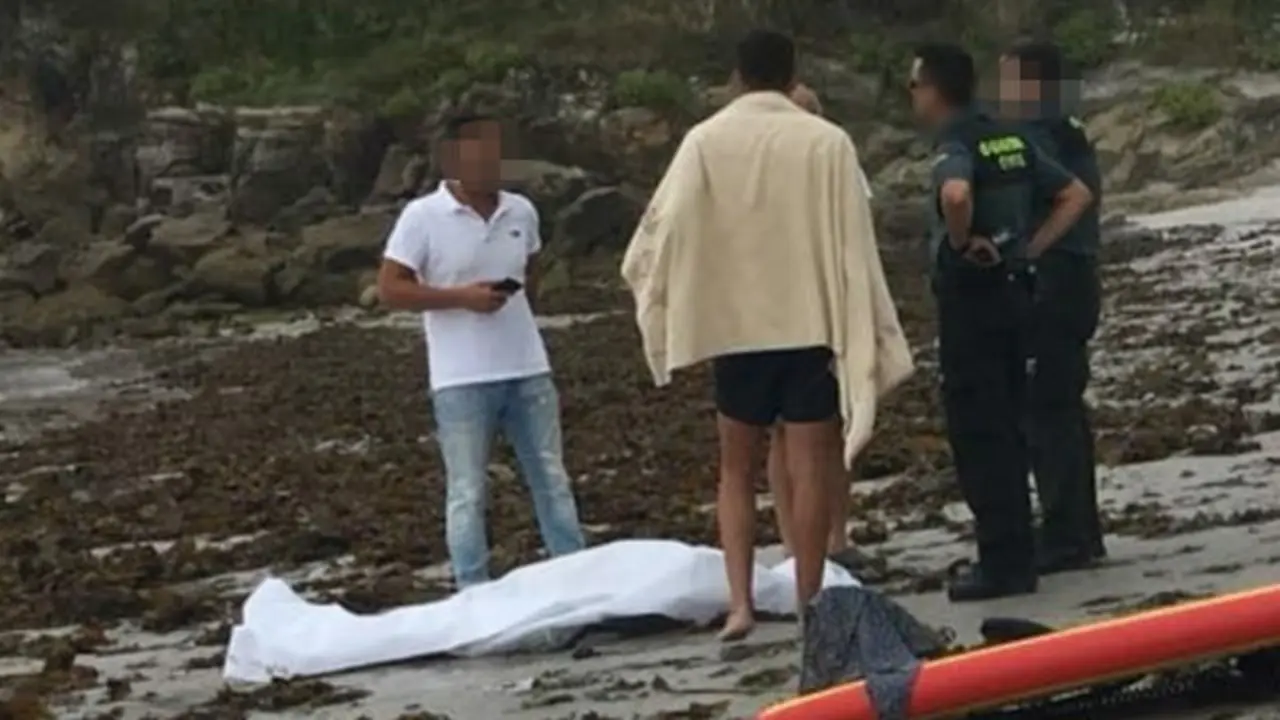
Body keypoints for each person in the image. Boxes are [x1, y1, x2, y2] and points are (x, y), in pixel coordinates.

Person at [622, 30, 913, 640]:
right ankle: (810, 599)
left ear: (736, 75)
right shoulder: (826, 140)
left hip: (736, 328)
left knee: (735, 469)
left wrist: (659, 300)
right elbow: (854, 238)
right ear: (793, 75)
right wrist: (865, 323)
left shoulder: (704, 140)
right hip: (807, 323)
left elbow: (661, 228)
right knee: (809, 467)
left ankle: (740, 604)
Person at [908, 43, 1093, 602]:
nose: (911, 96)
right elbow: (1075, 193)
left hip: (974, 302)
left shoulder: (958, 141)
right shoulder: (1010, 136)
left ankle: (1006, 559)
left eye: (914, 86)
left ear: (935, 90)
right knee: (1018, 421)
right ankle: (1036, 544)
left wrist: (962, 241)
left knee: (982, 431)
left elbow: (957, 190)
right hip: (1016, 291)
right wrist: (1027, 249)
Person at [376, 111, 586, 590]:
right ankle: (472, 589)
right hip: (461, 377)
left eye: (497, 150)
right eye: (481, 151)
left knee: (552, 479)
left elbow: (532, 271)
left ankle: (575, 575)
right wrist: (460, 298)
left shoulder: (522, 211)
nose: (493, 161)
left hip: (528, 367)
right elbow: (390, 289)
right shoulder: (423, 217)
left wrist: (508, 301)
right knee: (468, 491)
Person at [999, 41, 1107, 574]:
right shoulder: (1068, 125)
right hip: (1079, 276)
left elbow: (1073, 196)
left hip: (1056, 277)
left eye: (1009, 81)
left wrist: (1027, 250)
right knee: (1063, 404)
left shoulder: (1038, 132)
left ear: (1032, 82)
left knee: (1047, 408)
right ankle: (1080, 529)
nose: (1001, 93)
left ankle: (1066, 533)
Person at [766, 81, 865, 570]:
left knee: (833, 427)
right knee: (784, 432)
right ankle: (793, 542)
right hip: (773, 314)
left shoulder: (834, 159)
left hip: (827, 313)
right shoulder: (766, 169)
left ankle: (836, 536)